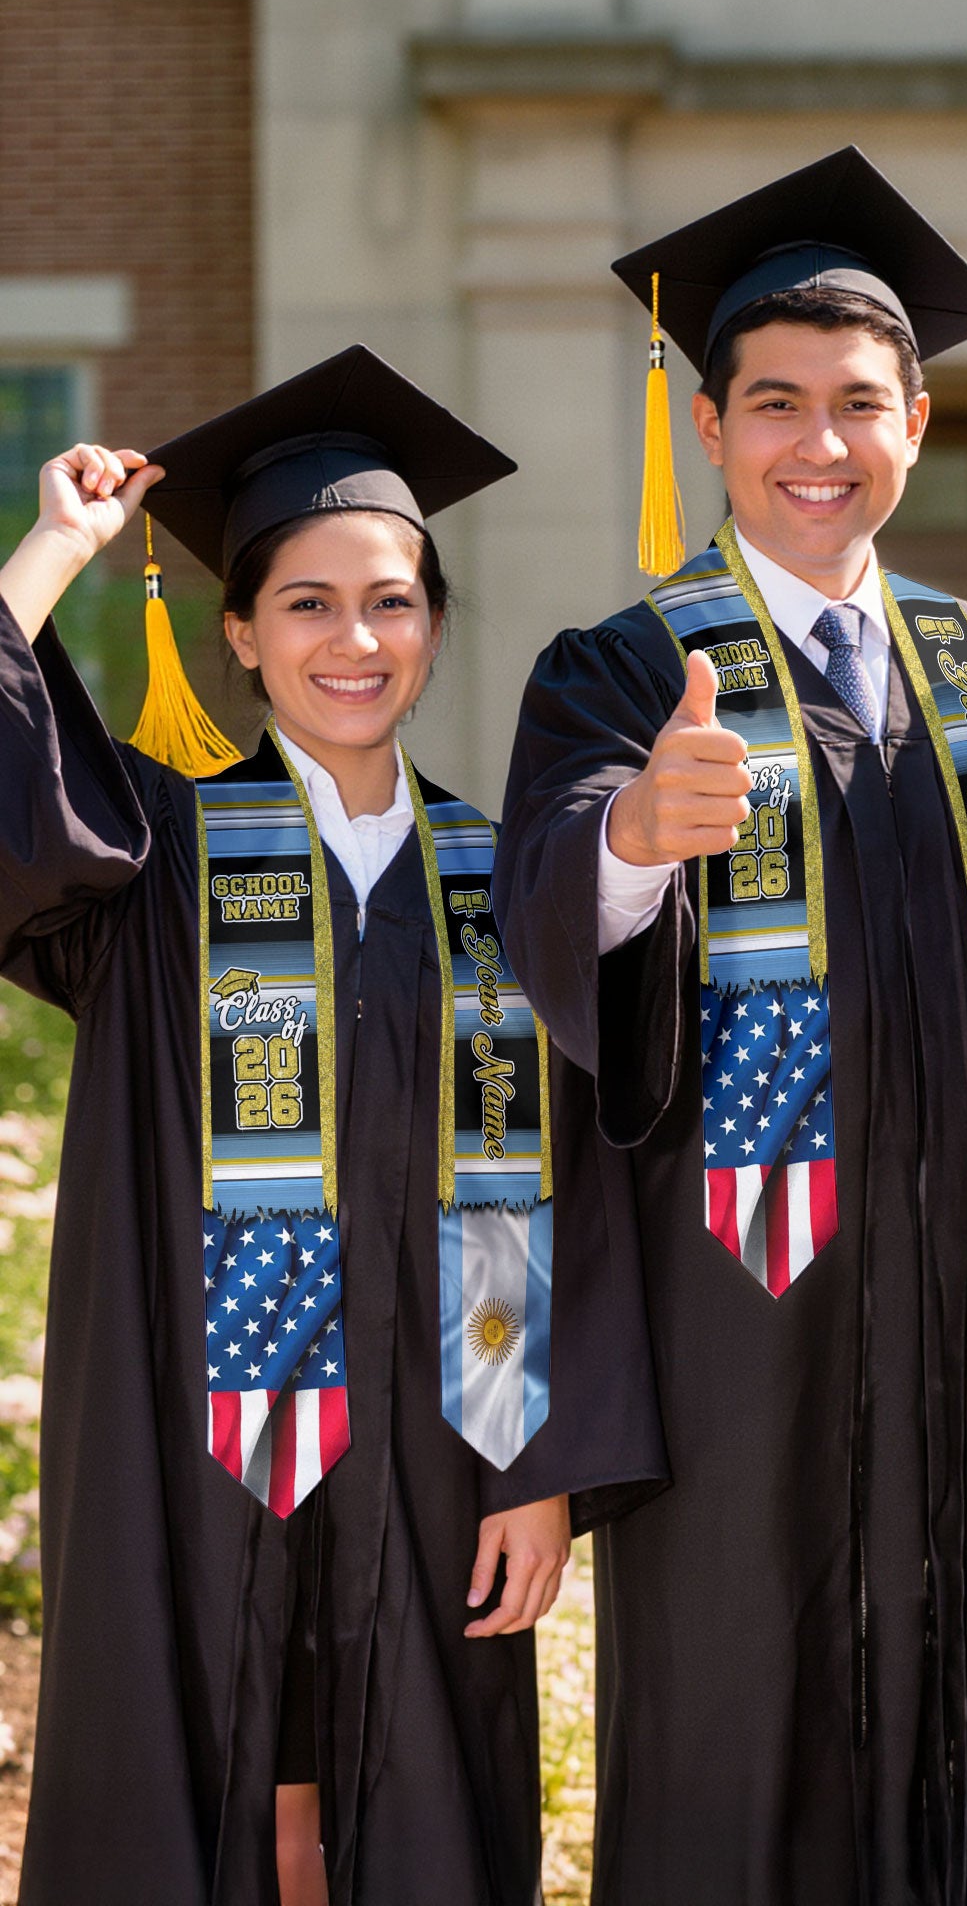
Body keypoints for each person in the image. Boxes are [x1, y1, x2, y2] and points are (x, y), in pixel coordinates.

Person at [495, 147, 967, 1905]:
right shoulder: (620, 671)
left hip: (957, 1308)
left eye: (860, 404)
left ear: (917, 421)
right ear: (710, 427)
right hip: (731, 1320)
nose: (818, 444)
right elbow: (544, 913)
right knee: (735, 1744)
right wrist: (631, 837)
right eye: (776, 404)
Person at [0, 346, 663, 1906]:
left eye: (391, 600)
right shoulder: (152, 855)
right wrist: (53, 553)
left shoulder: (512, 882)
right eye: (305, 603)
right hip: (191, 1442)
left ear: (434, 626)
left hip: (445, 1449)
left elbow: (589, 1187)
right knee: (200, 1779)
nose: (352, 639)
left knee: (423, 1806)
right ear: (238, 632)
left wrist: (546, 1466)